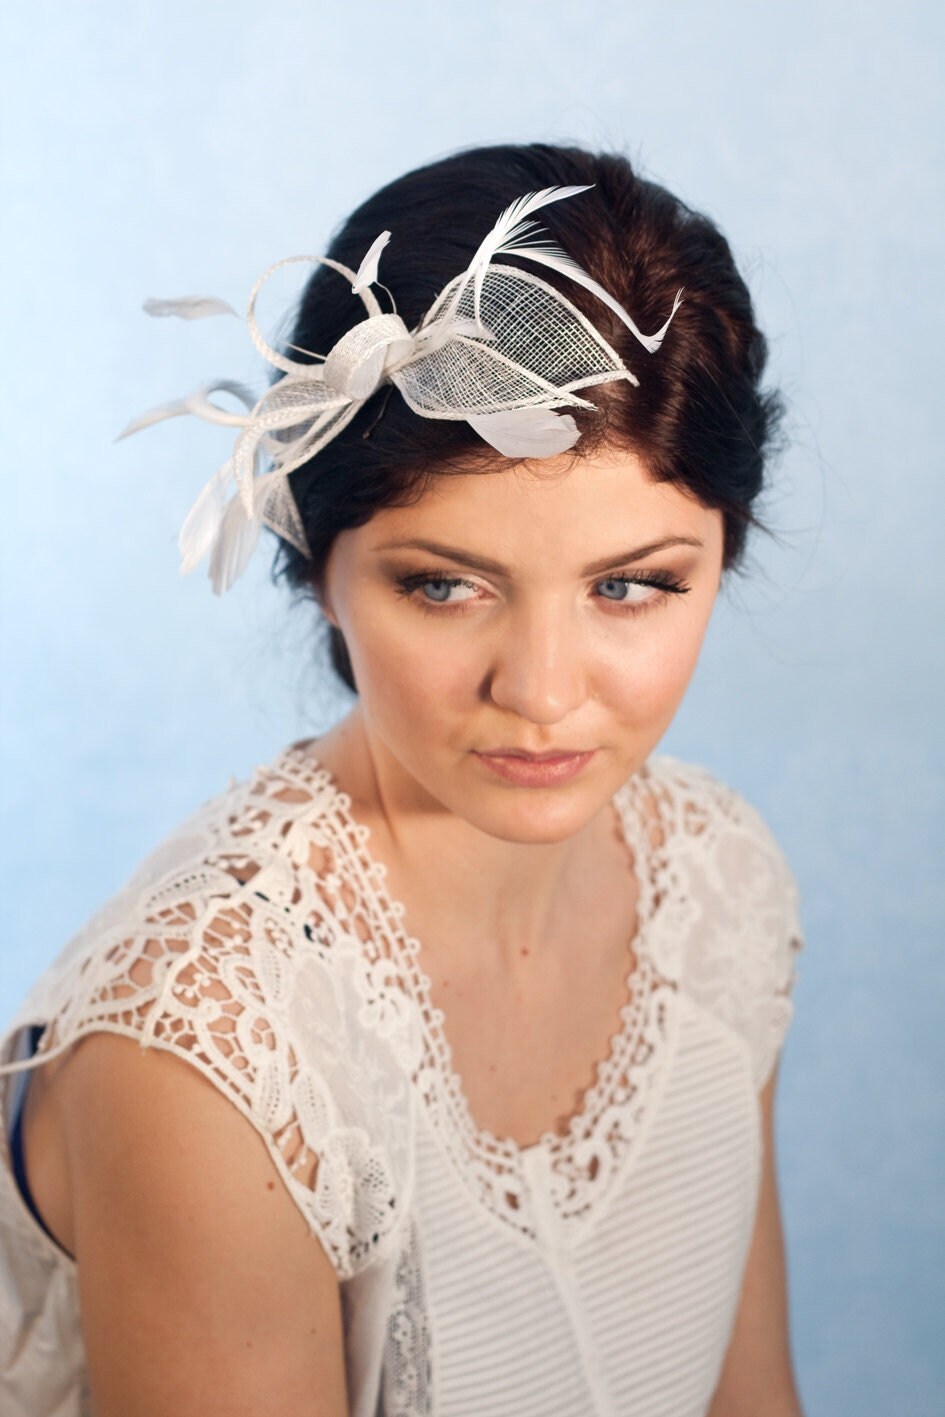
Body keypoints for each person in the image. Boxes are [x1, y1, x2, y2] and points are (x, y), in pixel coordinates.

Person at [0, 142, 805, 1416]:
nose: (541, 690)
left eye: (630, 585)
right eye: (444, 584)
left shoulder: (721, 884)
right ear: (319, 564)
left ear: (723, 554)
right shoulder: (212, 1052)